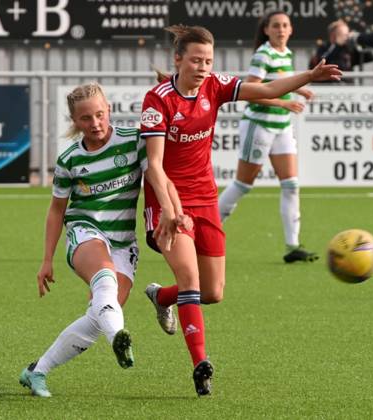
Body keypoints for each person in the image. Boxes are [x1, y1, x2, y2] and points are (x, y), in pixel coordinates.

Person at [140, 25, 341, 396]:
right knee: (190, 278)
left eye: (208, 60)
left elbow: (264, 90)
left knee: (213, 292)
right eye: (196, 60)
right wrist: (169, 211)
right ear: (178, 59)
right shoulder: (158, 99)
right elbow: (154, 166)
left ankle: (160, 296)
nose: (202, 67)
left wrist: (309, 76)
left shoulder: (215, 86)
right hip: (167, 200)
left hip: (204, 198)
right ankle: (200, 365)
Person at [18, 83, 142, 398]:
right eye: (86, 118)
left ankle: (37, 371)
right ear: (75, 121)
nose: (95, 123)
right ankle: (120, 338)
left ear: (109, 110)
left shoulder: (134, 142)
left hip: (124, 241)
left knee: (100, 312)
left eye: (99, 114)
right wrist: (46, 259)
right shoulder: (69, 159)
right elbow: (56, 210)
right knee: (105, 284)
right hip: (85, 231)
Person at [218, 10, 318, 263]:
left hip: (281, 127)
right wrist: (283, 104)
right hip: (259, 125)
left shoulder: (285, 53)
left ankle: (292, 245)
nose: (281, 29)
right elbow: (251, 91)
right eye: (276, 26)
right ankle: (204, 231)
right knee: (243, 184)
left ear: (291, 29)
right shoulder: (264, 54)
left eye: (285, 25)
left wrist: (301, 89)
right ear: (267, 30)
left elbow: (280, 81)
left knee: (291, 184)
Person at [309, 19, 373, 82]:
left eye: (347, 34)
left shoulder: (348, 49)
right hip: (328, 86)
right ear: (333, 35)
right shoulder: (324, 47)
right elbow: (322, 61)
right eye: (343, 34)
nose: (346, 37)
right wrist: (337, 45)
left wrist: (360, 41)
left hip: (347, 87)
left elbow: (370, 57)